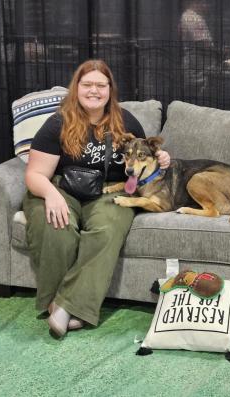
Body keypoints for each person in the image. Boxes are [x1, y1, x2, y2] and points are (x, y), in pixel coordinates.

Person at [23, 59, 171, 338]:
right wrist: (51, 195)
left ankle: (64, 306)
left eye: (100, 85)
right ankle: (63, 304)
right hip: (59, 187)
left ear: (110, 90)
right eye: (87, 84)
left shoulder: (126, 121)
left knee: (107, 228)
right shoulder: (57, 123)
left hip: (110, 188)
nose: (94, 90)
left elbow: (144, 158)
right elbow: (34, 175)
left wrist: (163, 158)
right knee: (55, 226)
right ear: (76, 88)